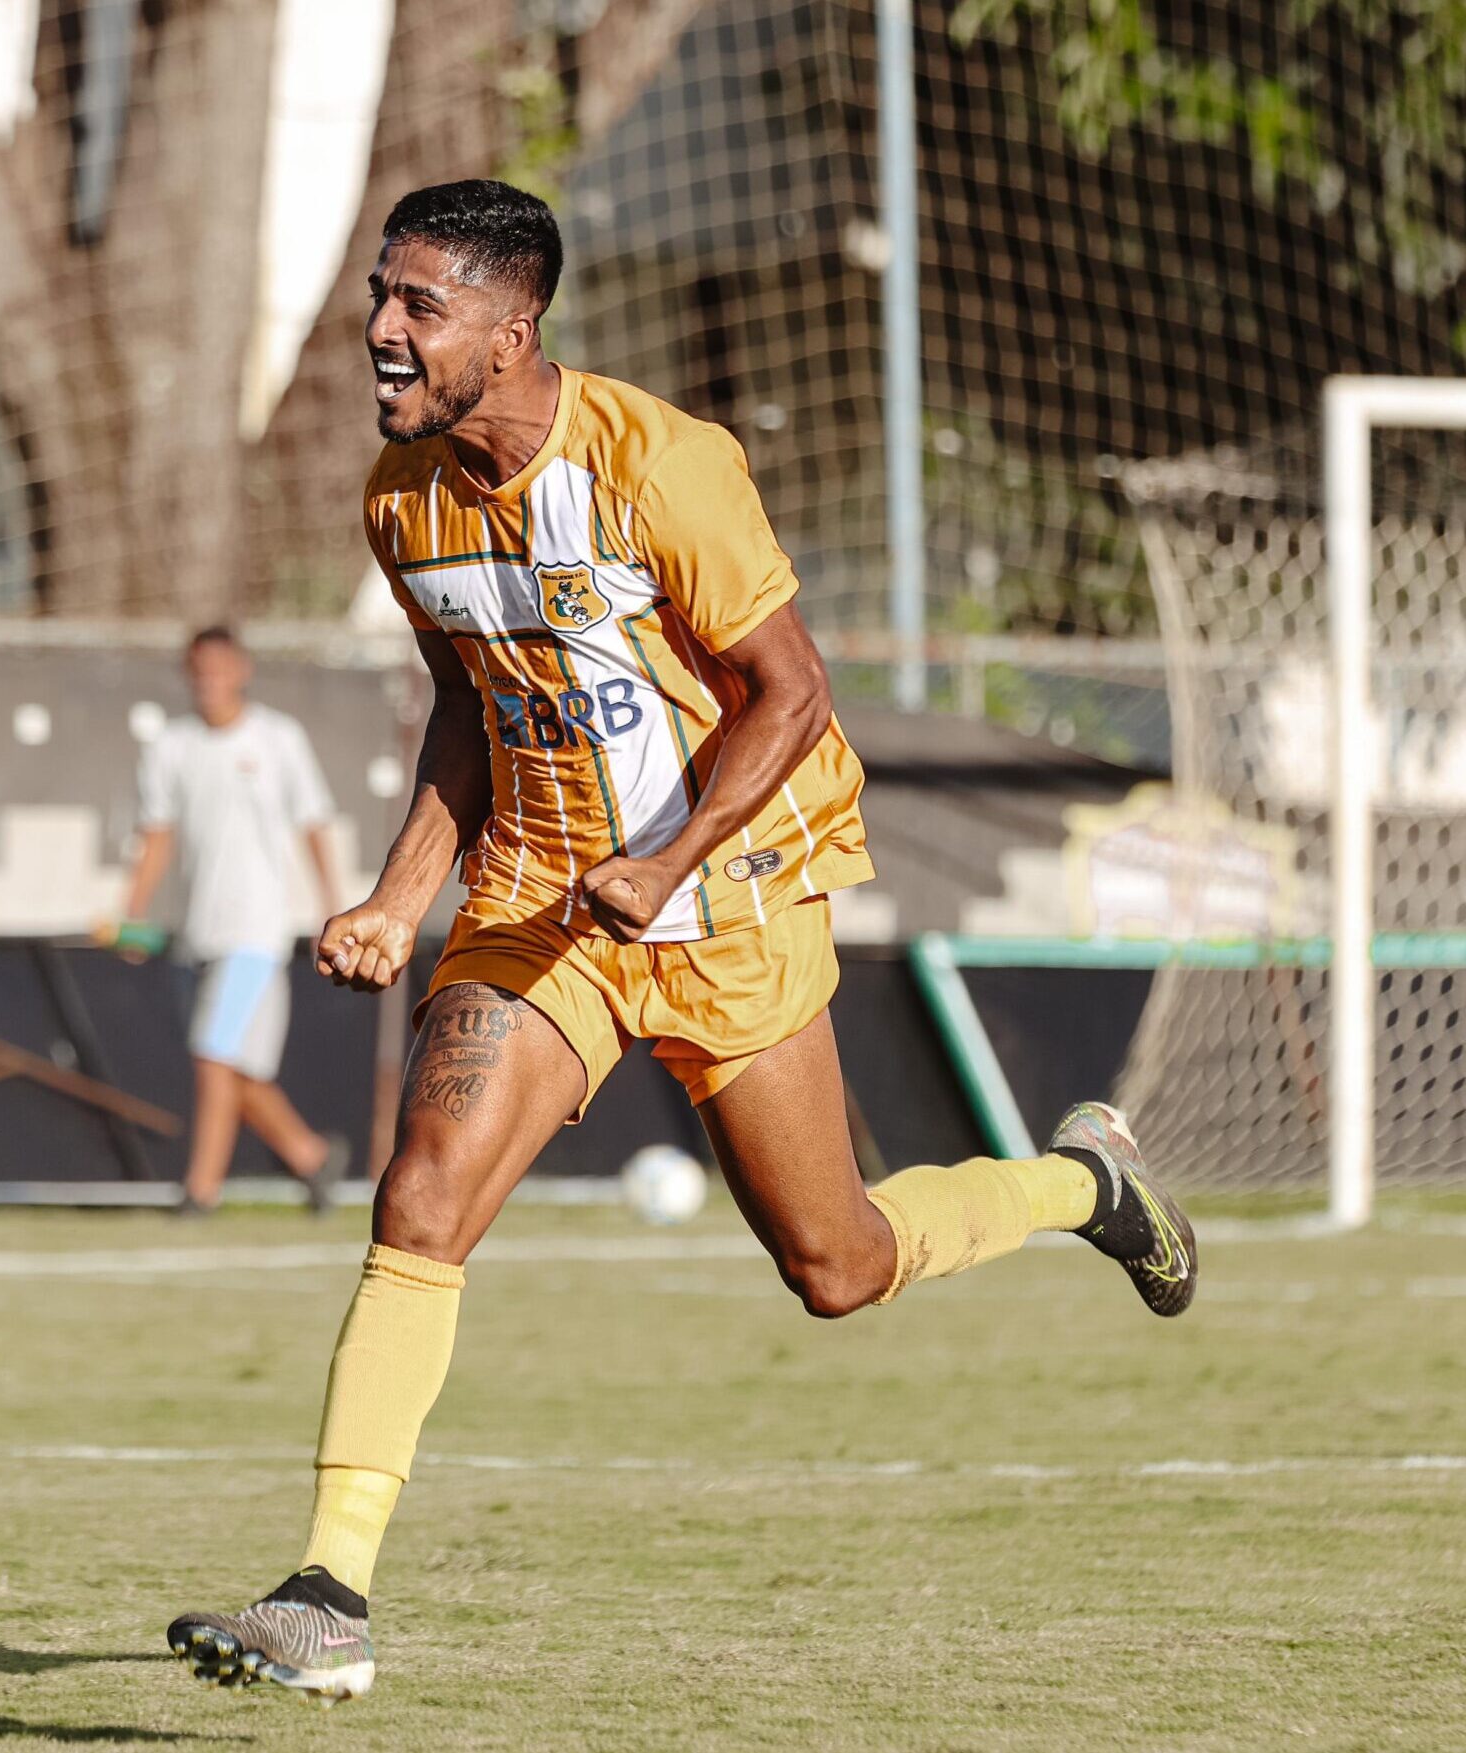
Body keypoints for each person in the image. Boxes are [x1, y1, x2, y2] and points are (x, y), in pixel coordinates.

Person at [166, 181, 1197, 1702]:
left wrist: (670, 859)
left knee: (835, 1266)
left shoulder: (666, 467)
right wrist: (398, 896)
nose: (381, 331)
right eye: (381, 299)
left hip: (724, 899)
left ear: (513, 331)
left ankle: (1082, 1182)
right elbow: (473, 701)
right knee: (423, 1196)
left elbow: (793, 691)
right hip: (535, 902)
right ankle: (329, 1594)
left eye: (417, 306)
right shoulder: (402, 495)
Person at [114, 626, 350, 1214]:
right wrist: (132, 915)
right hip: (199, 934)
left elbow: (313, 823)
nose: (209, 680)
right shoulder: (172, 746)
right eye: (198, 669)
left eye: (219, 667)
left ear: (241, 669)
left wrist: (336, 906)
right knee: (232, 1068)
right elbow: (156, 836)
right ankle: (311, 1157)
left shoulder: (277, 738)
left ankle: (201, 1191)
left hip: (256, 933)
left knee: (215, 1054)